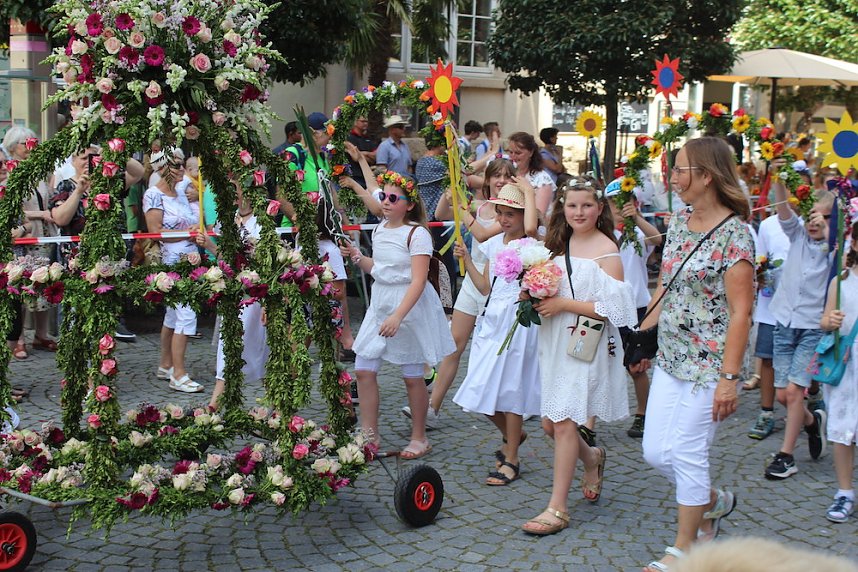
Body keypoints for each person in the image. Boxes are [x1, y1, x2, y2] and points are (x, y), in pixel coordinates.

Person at [632, 137, 755, 571]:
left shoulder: (736, 235)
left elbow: (741, 312)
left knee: (686, 452)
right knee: (654, 452)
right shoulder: (681, 223)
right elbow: (666, 285)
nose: (674, 177)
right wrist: (641, 333)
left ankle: (685, 549)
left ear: (706, 175)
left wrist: (730, 378)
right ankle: (712, 501)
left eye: (681, 169)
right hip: (671, 356)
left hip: (711, 366)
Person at [521, 177, 637, 534]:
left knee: (565, 422)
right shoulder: (559, 245)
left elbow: (616, 309)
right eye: (572, 205)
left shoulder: (607, 250)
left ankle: (557, 508)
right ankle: (593, 458)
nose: (579, 212)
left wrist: (563, 303)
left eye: (586, 205)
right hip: (555, 340)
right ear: (563, 209)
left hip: (586, 343)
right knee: (550, 424)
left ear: (599, 209)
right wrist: (532, 293)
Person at [339, 171, 454, 458]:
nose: (386, 203)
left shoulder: (417, 234)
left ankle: (419, 436)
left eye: (393, 198)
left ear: (409, 205)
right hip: (381, 303)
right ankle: (369, 434)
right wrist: (356, 255)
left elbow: (417, 280)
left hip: (410, 306)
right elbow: (379, 269)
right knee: (364, 368)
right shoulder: (379, 229)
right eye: (384, 197)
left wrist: (399, 316)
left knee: (413, 375)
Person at [402, 159, 516, 427]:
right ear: (487, 181)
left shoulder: (511, 214)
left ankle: (513, 405)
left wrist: (463, 209)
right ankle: (432, 407)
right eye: (496, 176)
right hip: (471, 284)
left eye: (506, 176)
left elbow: (484, 235)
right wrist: (448, 193)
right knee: (454, 344)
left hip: (498, 287)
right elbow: (441, 214)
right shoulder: (481, 206)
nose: (500, 180)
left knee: (502, 351)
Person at [451, 183, 540, 485]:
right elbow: (485, 287)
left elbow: (530, 227)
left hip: (516, 320)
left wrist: (528, 192)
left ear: (523, 215)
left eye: (511, 214)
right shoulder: (494, 243)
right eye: (501, 213)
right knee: (477, 386)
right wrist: (466, 260)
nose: (504, 219)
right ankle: (513, 436)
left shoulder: (531, 244)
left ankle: (512, 457)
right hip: (492, 319)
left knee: (509, 389)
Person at [764, 176, 834, 480]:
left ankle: (786, 455)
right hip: (784, 323)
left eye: (825, 216)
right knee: (783, 396)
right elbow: (783, 211)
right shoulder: (797, 236)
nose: (816, 221)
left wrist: (832, 232)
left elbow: (840, 257)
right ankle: (810, 422)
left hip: (812, 329)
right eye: (812, 214)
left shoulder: (836, 251)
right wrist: (780, 178)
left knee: (794, 393)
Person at [195, 180, 269, 409]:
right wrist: (209, 246)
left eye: (239, 191)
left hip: (254, 294)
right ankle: (215, 405)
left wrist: (267, 300)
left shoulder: (262, 224)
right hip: (234, 294)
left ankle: (273, 403)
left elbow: (258, 262)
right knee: (229, 347)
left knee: (259, 350)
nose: (235, 196)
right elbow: (229, 259)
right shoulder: (229, 221)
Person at [604, 178, 663, 438]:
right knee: (600, 364)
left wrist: (636, 218)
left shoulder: (637, 233)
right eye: (613, 204)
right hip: (609, 307)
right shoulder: (604, 235)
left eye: (623, 203)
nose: (618, 208)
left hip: (637, 307)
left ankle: (643, 413)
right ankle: (589, 422)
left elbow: (658, 239)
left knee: (636, 366)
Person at [143, 148, 203, 394]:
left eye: (181, 165)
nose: (181, 170)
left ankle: (166, 364)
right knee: (187, 314)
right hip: (171, 259)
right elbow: (155, 232)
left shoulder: (181, 191)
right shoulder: (153, 195)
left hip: (190, 255)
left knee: (173, 314)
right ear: (163, 169)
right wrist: (185, 234)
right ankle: (179, 374)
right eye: (176, 165)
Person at [2, 127, 58, 359]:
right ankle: (19, 339)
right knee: (21, 287)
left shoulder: (36, 172)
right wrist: (38, 217)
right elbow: (22, 211)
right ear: (13, 146)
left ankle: (41, 334)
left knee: (43, 285)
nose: (30, 147)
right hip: (25, 239)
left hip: (43, 233)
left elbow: (43, 199)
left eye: (33, 143)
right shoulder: (10, 174)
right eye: (25, 144)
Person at [819, 220, 858, 523]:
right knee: (843, 429)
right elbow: (824, 320)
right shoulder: (841, 282)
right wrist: (830, 320)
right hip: (847, 363)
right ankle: (844, 491)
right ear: (853, 244)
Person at [746, 206, 792, 440]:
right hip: (771, 307)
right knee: (766, 358)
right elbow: (759, 259)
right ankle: (766, 411)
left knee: (807, 359)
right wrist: (761, 275)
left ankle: (813, 399)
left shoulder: (808, 222)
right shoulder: (767, 225)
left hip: (802, 307)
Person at [507, 131, 556, 217]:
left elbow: (539, 215)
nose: (513, 156)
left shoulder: (542, 179)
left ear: (531, 152)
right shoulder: (508, 173)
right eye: (510, 152)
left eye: (518, 153)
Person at [346, 116, 378, 189]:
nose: (365, 124)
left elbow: (375, 156)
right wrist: (366, 155)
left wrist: (362, 153)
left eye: (366, 121)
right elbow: (355, 157)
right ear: (355, 122)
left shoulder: (368, 139)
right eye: (363, 121)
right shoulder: (349, 137)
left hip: (367, 177)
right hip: (355, 177)